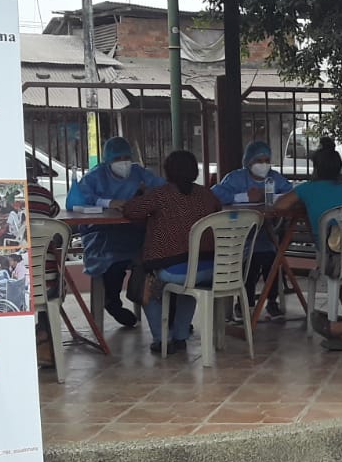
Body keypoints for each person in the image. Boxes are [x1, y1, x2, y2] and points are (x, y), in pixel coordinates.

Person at [121, 150, 221, 355]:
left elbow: (131, 210)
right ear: (194, 171)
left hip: (176, 271)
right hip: (211, 268)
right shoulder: (207, 195)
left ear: (167, 172)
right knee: (190, 283)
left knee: (147, 280)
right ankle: (180, 336)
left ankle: (162, 339)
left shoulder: (160, 195)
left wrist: (139, 194)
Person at [66, 136, 165, 328]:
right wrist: (108, 203)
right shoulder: (95, 176)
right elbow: (79, 200)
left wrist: (146, 195)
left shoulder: (139, 173)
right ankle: (112, 301)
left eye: (126, 157)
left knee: (150, 257)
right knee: (112, 260)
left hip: (134, 231)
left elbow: (162, 188)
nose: (123, 163)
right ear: (107, 160)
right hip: (101, 233)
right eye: (117, 159)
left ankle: (150, 303)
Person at [274, 137, 342, 318]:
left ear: (315, 168)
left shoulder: (307, 189)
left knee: (337, 262)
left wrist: (304, 204)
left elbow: (279, 206)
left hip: (329, 256)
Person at [213, 140, 294, 322]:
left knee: (272, 259)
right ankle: (245, 302)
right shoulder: (235, 178)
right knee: (250, 261)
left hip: (267, 234)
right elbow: (215, 193)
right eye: (258, 160)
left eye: (267, 160)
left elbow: (291, 194)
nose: (263, 165)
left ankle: (271, 301)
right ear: (248, 161)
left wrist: (273, 197)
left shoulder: (275, 178)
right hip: (241, 237)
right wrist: (243, 196)